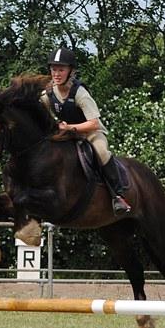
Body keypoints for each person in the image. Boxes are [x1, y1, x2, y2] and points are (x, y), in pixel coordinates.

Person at [40, 47, 132, 215]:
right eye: (54, 69)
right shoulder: (47, 94)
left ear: (70, 71)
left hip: (89, 133)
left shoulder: (79, 93)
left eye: (61, 69)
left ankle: (118, 196)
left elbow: (94, 123)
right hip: (66, 135)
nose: (57, 73)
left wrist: (70, 127)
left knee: (102, 152)